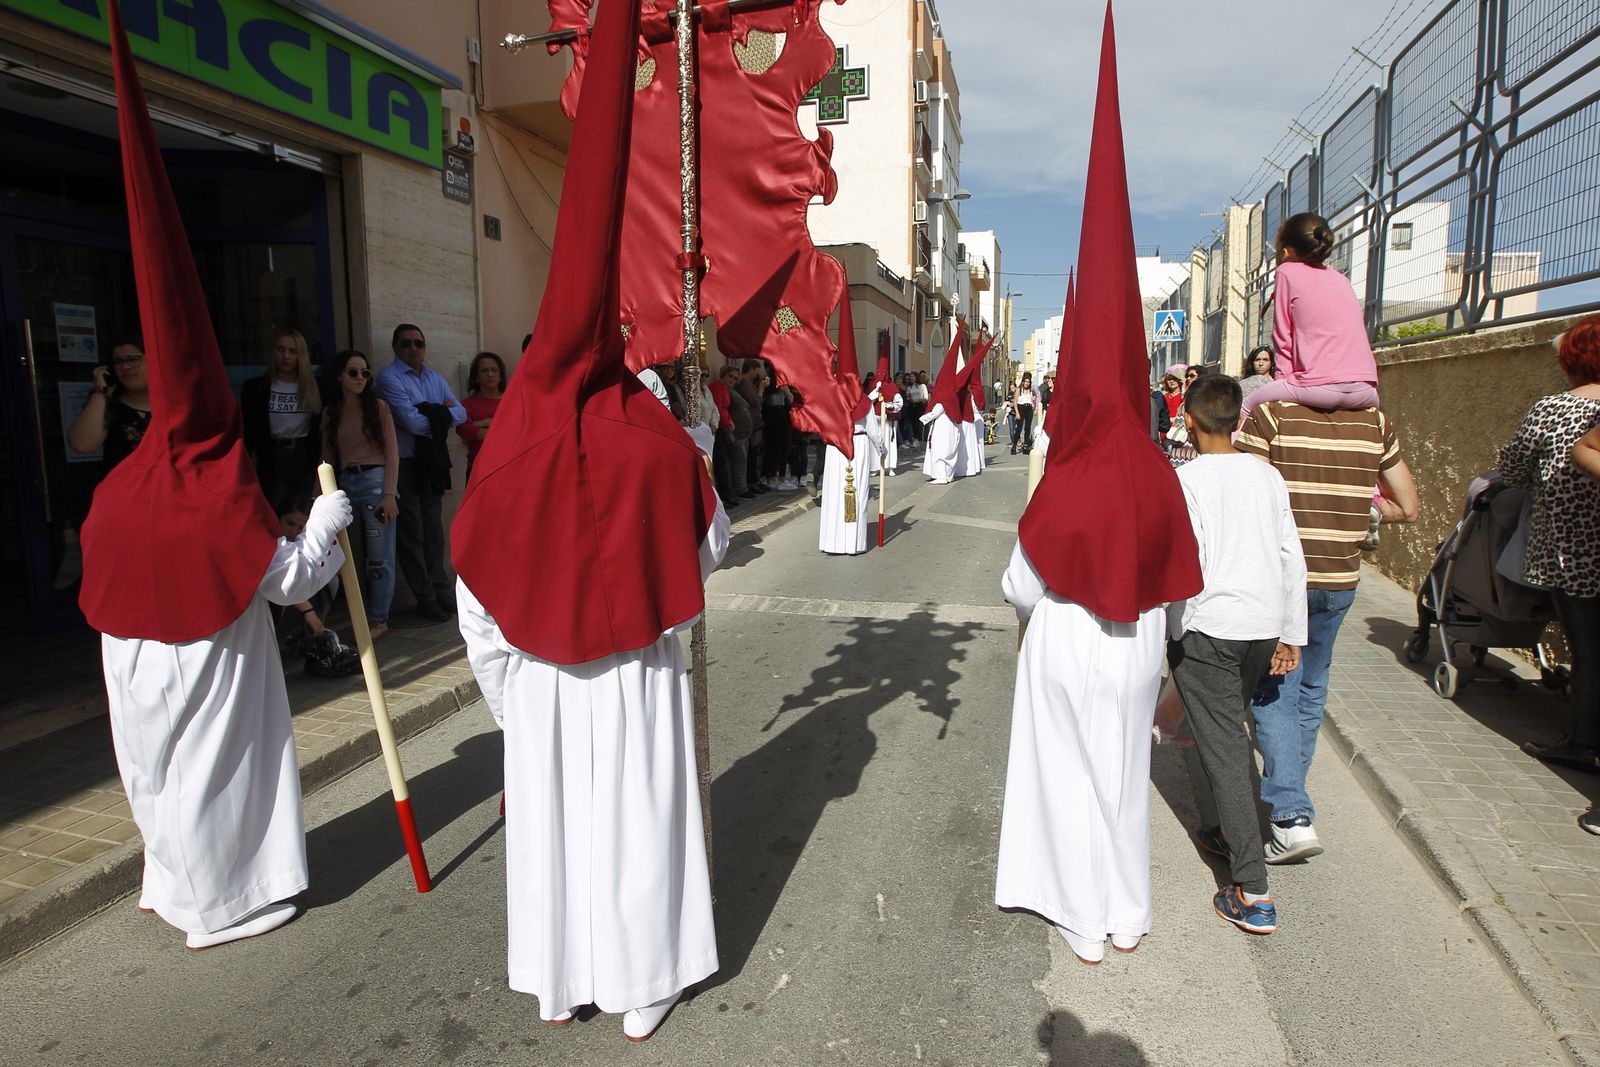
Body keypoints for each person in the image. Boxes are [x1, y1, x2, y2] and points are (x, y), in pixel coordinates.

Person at [451, 0, 725, 1034]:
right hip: (636, 675)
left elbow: (479, 597)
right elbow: (704, 552)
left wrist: (512, 702)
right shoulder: (653, 437)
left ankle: (563, 979)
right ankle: (642, 982)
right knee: (639, 823)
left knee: (561, 829)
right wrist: (694, 457)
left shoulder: (508, 441)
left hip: (548, 690)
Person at [82, 10, 354, 950]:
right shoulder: (214, 475)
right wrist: (326, 520)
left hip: (133, 659)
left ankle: (172, 886)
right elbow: (289, 583)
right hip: (209, 657)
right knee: (215, 769)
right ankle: (225, 904)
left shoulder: (123, 481)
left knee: (155, 770)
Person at [996, 17, 1204, 966]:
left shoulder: (1071, 470)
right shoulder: (1161, 467)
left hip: (1071, 638)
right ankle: (1126, 907)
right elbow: (1176, 582)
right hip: (1138, 646)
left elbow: (1021, 586)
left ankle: (1081, 915)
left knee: (1070, 778)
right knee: (1120, 777)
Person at [1239, 384, 1419, 864]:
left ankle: (1291, 816)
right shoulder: (1375, 422)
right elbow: (1409, 507)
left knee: (1273, 688)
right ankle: (1293, 798)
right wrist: (1362, 510)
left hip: (1282, 578)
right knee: (1311, 686)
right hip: (1340, 580)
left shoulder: (1273, 415)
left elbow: (1244, 493)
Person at [1167, 374, 1306, 936]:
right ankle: (1228, 830)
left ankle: (1253, 890)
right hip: (1262, 624)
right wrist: (1292, 633)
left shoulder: (1184, 480)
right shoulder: (1267, 476)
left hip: (1210, 625)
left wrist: (1168, 628)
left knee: (1223, 746)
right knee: (1225, 734)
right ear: (1240, 421)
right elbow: (1289, 554)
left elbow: (1181, 559)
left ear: (1191, 423)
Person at [1503, 317, 1600, 798]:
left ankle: (1583, 741)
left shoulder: (1555, 408)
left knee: (1587, 649)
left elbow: (1515, 466)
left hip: (1571, 553)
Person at [1239, 212, 1380, 423]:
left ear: (1285, 251)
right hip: (1366, 391)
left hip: (1317, 388)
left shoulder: (1287, 271)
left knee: (1245, 406)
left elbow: (1283, 337)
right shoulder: (1340, 278)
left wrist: (1284, 385)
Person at [374, 323, 465, 623]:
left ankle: (441, 589)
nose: (413, 349)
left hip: (432, 463)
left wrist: (431, 411)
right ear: (395, 347)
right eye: (406, 344)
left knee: (434, 531)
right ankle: (424, 596)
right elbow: (411, 423)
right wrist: (440, 412)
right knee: (413, 533)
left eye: (418, 343)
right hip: (406, 464)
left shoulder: (434, 377)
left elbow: (461, 413)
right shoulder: (389, 378)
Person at [322, 349, 399, 639]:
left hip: (375, 483)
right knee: (333, 553)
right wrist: (316, 497)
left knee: (379, 558)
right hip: (343, 483)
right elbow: (326, 456)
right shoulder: (332, 412)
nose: (359, 378)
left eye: (365, 373)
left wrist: (390, 493)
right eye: (353, 372)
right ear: (339, 376)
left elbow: (393, 454)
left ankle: (379, 619)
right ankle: (325, 620)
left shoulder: (378, 407)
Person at [242, 329, 323, 511]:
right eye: (280, 349)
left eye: (293, 351)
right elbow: (249, 431)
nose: (285, 356)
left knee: (308, 511)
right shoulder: (256, 388)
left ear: (301, 355)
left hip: (305, 455)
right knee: (275, 510)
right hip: (272, 456)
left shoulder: (317, 387)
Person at [68, 337, 151, 469]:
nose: (125, 367)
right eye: (118, 362)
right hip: (125, 487)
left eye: (133, 359)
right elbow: (82, 445)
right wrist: (100, 391)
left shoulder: (176, 404)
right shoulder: (109, 405)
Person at [457, 351, 506, 476]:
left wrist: (482, 423)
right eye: (484, 370)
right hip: (477, 471)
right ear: (476, 377)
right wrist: (502, 427)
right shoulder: (466, 404)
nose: (490, 374)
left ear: (501, 376)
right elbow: (464, 430)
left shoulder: (513, 402)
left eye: (494, 370)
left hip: (507, 469)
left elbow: (519, 429)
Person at [1014, 371, 1038, 453]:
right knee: (1019, 428)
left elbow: (1036, 396)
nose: (1027, 383)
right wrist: (1017, 412)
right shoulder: (1019, 389)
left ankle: (1026, 446)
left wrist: (1034, 402)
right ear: (1023, 381)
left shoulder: (1031, 390)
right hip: (1020, 408)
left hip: (1029, 409)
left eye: (1028, 382)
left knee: (1027, 428)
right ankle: (1014, 445)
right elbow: (1015, 402)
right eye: (1025, 381)